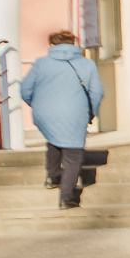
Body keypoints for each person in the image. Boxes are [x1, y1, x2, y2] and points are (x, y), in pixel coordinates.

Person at [19, 29, 105, 209]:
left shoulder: (41, 64)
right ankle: (66, 197)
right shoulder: (87, 64)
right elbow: (96, 92)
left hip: (45, 112)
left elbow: (25, 89)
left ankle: (52, 176)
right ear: (74, 44)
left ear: (52, 45)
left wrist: (37, 105)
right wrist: (92, 111)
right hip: (75, 112)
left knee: (54, 139)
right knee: (73, 155)